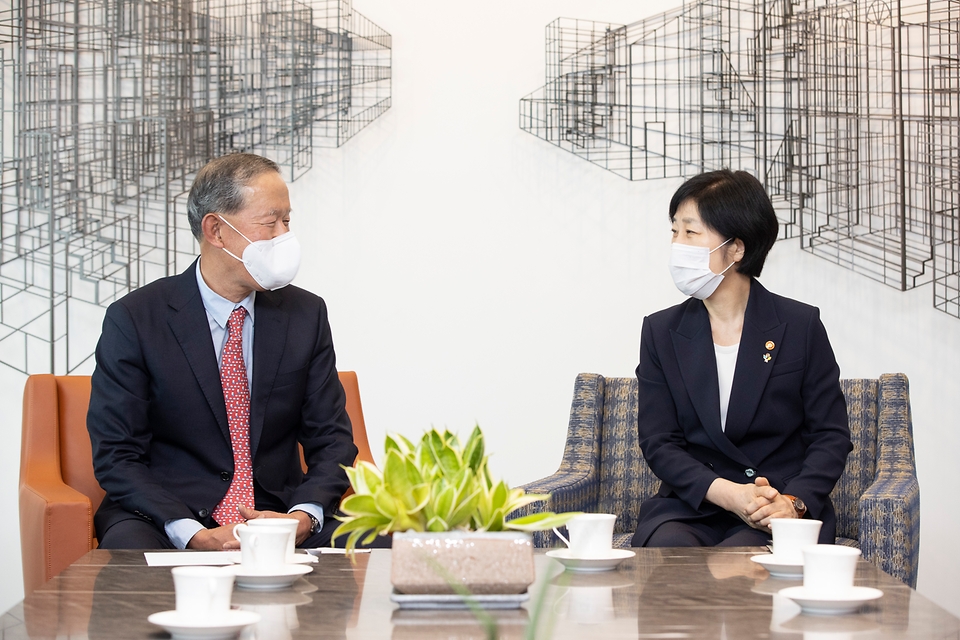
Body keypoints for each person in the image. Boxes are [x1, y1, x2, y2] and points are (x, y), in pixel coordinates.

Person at [88, 153, 357, 550]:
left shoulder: (305, 314)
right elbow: (116, 454)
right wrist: (191, 532)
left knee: (381, 542)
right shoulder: (135, 318)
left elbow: (332, 440)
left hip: (277, 512)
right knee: (128, 553)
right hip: (167, 516)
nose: (285, 236)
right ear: (216, 230)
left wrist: (302, 516)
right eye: (271, 223)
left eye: (288, 221)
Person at [631, 169, 852, 548]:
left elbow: (830, 436)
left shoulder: (800, 325)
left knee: (746, 566)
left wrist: (793, 503)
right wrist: (729, 494)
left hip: (774, 507)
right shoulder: (660, 331)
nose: (677, 244)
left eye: (691, 232)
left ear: (736, 248)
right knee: (671, 555)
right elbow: (659, 441)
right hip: (695, 505)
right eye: (674, 231)